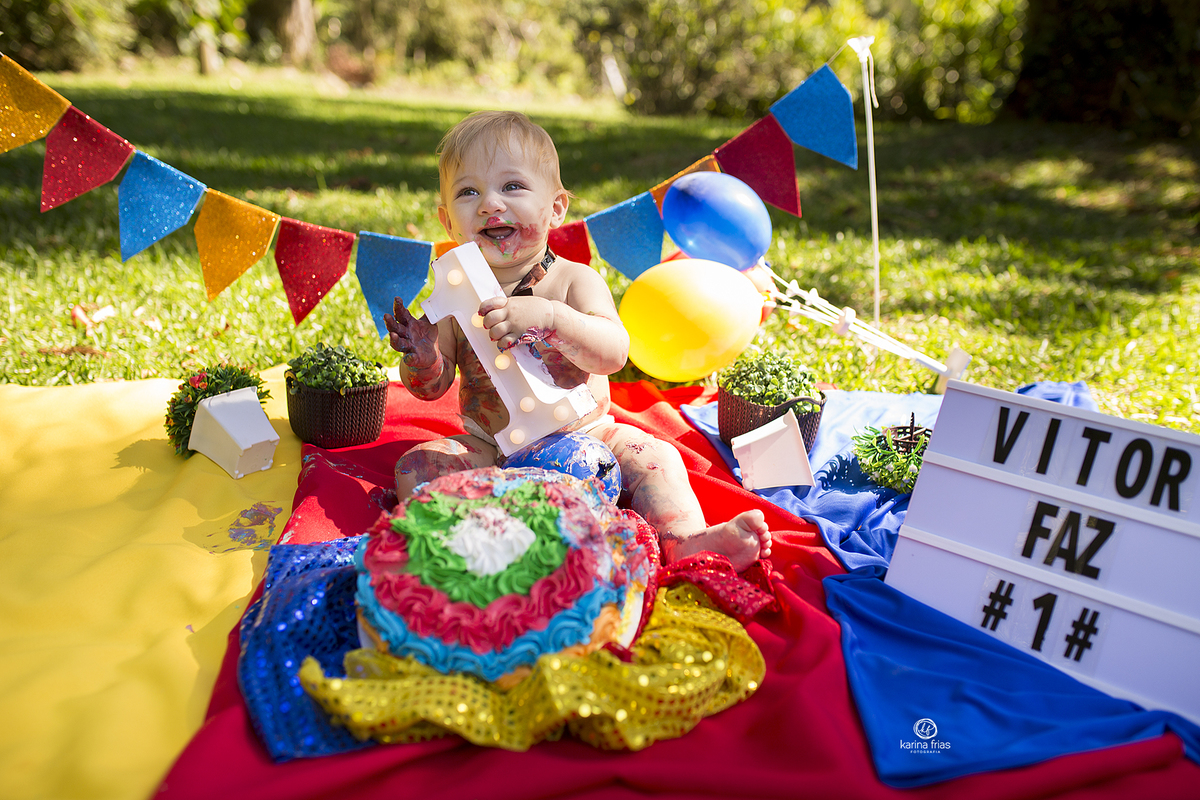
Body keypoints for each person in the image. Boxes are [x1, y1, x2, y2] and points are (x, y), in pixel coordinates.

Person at [384, 110, 770, 572]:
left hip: (589, 433)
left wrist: (553, 319)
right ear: (448, 221)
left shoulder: (572, 281)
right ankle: (460, 541)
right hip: (491, 449)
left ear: (556, 208)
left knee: (656, 456)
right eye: (469, 192)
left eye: (512, 187)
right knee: (416, 465)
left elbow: (613, 353)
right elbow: (430, 389)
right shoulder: (451, 299)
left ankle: (685, 538)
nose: (490, 204)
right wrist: (424, 358)